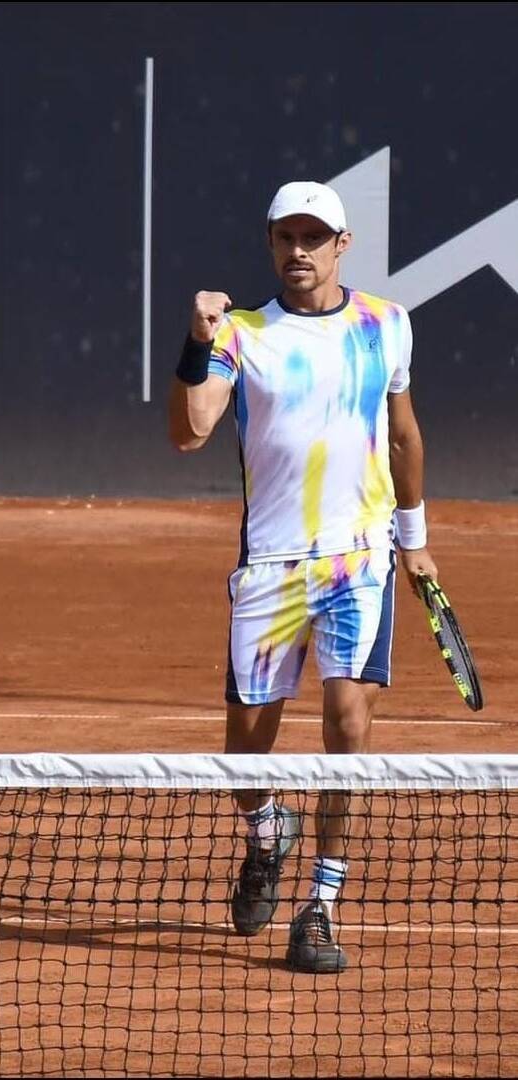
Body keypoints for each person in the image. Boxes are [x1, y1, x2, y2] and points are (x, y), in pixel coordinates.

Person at [168, 182, 437, 974]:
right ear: (270, 242)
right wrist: (194, 340)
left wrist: (414, 542)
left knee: (346, 728)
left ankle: (319, 905)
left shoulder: (385, 323)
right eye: (286, 238)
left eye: (313, 239)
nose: (298, 252)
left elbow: (402, 431)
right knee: (243, 760)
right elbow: (189, 432)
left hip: (359, 559)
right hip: (270, 568)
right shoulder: (241, 333)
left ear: (341, 245)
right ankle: (265, 832)